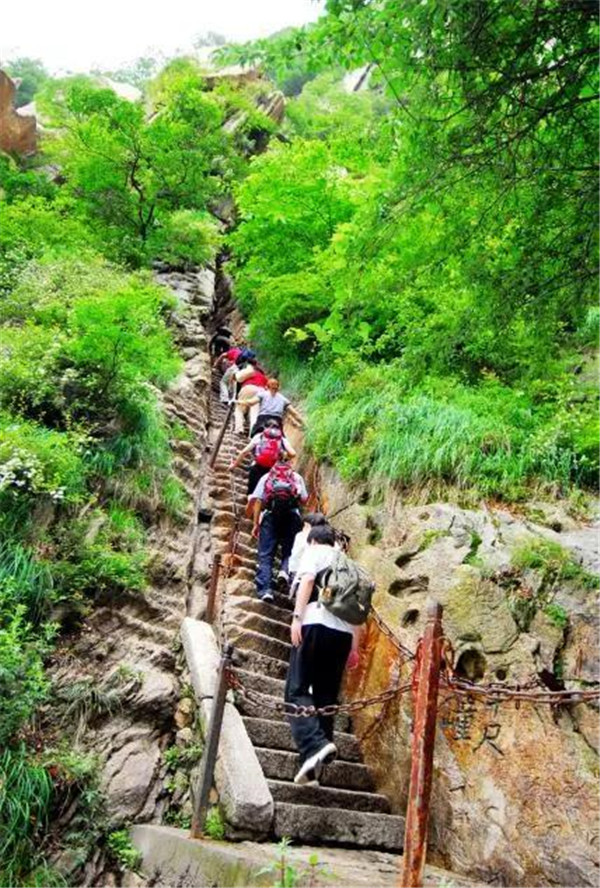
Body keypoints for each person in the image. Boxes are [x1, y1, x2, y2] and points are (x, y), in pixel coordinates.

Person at [285, 524, 359, 785]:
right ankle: (314, 767)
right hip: (343, 635)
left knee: (296, 689)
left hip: (314, 624)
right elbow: (356, 609)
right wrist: (354, 647)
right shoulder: (349, 564)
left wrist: (297, 618)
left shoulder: (315, 552)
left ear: (314, 541)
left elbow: (307, 581)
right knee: (325, 696)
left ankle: (315, 745)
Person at [250, 456, 308, 602]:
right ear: (290, 463)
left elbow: (258, 501)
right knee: (290, 550)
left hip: (270, 516)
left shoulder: (267, 477)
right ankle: (284, 571)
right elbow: (304, 499)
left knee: (266, 554)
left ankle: (266, 590)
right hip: (292, 518)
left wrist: (256, 524)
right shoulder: (296, 478)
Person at [230, 419, 297, 496]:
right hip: (272, 471)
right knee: (266, 491)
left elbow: (244, 452)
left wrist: (234, 465)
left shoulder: (259, 436)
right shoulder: (282, 439)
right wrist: (284, 458)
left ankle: (249, 500)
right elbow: (293, 453)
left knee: (252, 492)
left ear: (265, 428)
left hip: (257, 467)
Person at [288, 512, 329, 596]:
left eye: (306, 526)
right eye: (304, 526)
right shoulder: (301, 536)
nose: (303, 528)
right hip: (303, 573)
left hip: (306, 574)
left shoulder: (304, 537)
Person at [234, 356, 268, 435]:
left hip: (248, 388)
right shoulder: (263, 376)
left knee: (239, 409)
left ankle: (239, 429)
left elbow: (239, 379)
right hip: (261, 391)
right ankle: (252, 433)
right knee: (255, 413)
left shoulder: (249, 371)